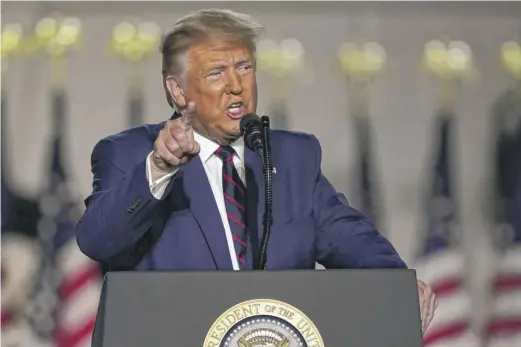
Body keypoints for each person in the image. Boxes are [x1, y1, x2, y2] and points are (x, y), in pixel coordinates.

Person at [76, 8, 436, 332]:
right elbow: (97, 240)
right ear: (178, 90)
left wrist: (399, 282)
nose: (236, 85)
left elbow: (352, 238)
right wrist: (159, 168)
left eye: (244, 67)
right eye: (216, 72)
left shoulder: (292, 156)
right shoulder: (130, 154)